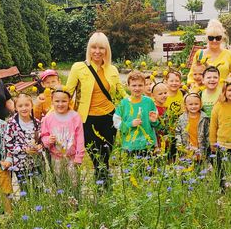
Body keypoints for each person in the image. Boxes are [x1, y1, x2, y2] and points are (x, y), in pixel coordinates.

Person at [66, 32, 125, 185]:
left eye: (101, 48)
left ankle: (104, 189)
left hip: (109, 118)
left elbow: (121, 92)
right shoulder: (78, 68)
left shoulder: (112, 70)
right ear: (89, 49)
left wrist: (140, 100)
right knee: (95, 156)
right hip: (87, 119)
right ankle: (104, 186)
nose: (97, 51)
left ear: (107, 50)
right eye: (94, 47)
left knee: (105, 156)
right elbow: (67, 93)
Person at [40, 87, 85, 182]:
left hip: (72, 158)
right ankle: (61, 197)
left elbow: (80, 138)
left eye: (64, 101)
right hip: (56, 158)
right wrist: (49, 140)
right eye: (57, 101)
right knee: (59, 182)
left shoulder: (75, 117)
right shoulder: (48, 119)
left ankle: (75, 197)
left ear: (69, 101)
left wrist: (79, 157)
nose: (60, 104)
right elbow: (44, 136)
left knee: (74, 182)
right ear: (52, 101)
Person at [113, 71, 159, 156]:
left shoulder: (149, 102)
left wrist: (154, 121)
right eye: (134, 85)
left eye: (140, 85)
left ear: (144, 86)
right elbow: (117, 123)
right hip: (130, 145)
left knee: (148, 168)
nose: (137, 88)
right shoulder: (123, 104)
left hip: (147, 144)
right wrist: (130, 124)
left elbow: (156, 124)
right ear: (128, 86)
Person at [5, 93, 43, 191]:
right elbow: (8, 144)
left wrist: (40, 146)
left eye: (27, 105)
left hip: (36, 162)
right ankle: (27, 205)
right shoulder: (11, 123)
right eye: (20, 106)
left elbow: (41, 139)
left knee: (39, 188)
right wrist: (23, 149)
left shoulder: (37, 122)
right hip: (20, 164)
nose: (24, 108)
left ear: (31, 105)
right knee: (24, 190)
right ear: (16, 108)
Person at [175, 93, 209, 162]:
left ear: (200, 104)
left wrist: (208, 147)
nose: (193, 106)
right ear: (186, 105)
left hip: (200, 149)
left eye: (196, 104)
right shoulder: (182, 118)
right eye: (190, 104)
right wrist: (179, 145)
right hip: (186, 149)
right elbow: (178, 132)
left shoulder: (204, 118)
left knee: (200, 167)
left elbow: (208, 133)